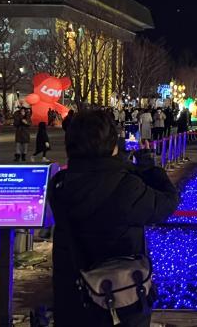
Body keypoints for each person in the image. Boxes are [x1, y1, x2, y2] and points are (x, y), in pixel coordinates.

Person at [49, 110, 179, 326]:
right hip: (119, 299)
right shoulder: (126, 186)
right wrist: (147, 167)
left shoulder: (60, 185)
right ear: (112, 145)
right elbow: (168, 202)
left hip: (73, 298)